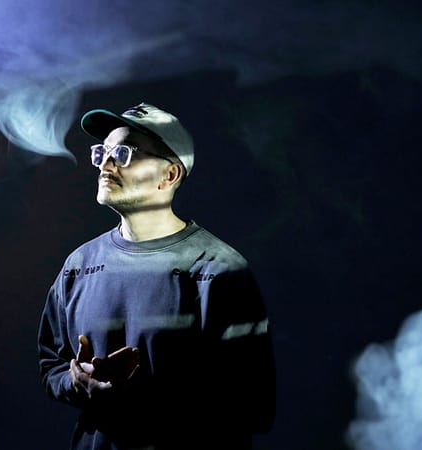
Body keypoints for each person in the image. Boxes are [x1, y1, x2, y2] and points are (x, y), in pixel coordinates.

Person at [38, 102, 276, 450]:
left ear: (170, 175)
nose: (106, 165)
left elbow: (254, 405)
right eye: (102, 152)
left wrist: (140, 398)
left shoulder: (218, 270)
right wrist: (77, 383)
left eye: (123, 153)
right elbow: (52, 365)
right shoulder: (79, 265)